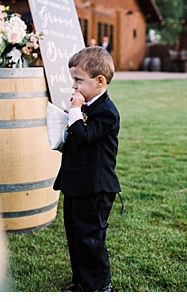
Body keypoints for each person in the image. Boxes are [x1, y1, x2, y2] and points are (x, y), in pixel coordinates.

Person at [54, 46, 121, 292]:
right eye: (73, 79)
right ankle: (82, 283)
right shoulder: (87, 107)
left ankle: (101, 287)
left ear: (100, 81)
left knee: (91, 239)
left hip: (95, 187)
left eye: (78, 80)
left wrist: (74, 112)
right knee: (75, 235)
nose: (74, 86)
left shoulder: (107, 112)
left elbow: (84, 137)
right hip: (77, 183)